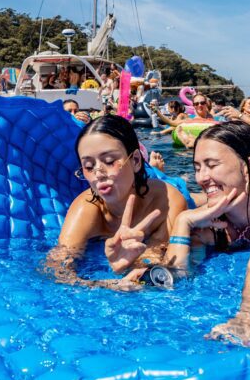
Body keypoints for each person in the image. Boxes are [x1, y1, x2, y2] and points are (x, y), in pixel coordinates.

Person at [144, 121, 250, 347]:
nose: (201, 177)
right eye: (198, 167)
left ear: (249, 166)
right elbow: (178, 275)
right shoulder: (207, 223)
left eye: (211, 165)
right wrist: (183, 221)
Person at [44, 115, 188, 288]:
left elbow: (160, 265)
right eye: (89, 167)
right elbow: (56, 268)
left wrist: (134, 267)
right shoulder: (87, 208)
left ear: (135, 160)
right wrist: (106, 283)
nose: (98, 173)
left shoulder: (167, 203)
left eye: (109, 161)